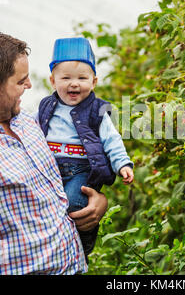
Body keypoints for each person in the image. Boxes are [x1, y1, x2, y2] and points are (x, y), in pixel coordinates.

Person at [0, 30, 108, 274]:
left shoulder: (22, 119)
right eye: (20, 80)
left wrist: (96, 201)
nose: (30, 85)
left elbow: (56, 186)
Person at [38, 37, 134, 261]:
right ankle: (54, 249)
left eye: (82, 78)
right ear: (53, 81)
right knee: (49, 208)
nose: (74, 83)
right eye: (66, 78)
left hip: (81, 171)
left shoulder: (97, 111)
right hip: (50, 170)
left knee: (72, 203)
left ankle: (84, 242)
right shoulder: (45, 107)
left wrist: (123, 165)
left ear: (94, 82)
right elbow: (32, 133)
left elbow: (112, 140)